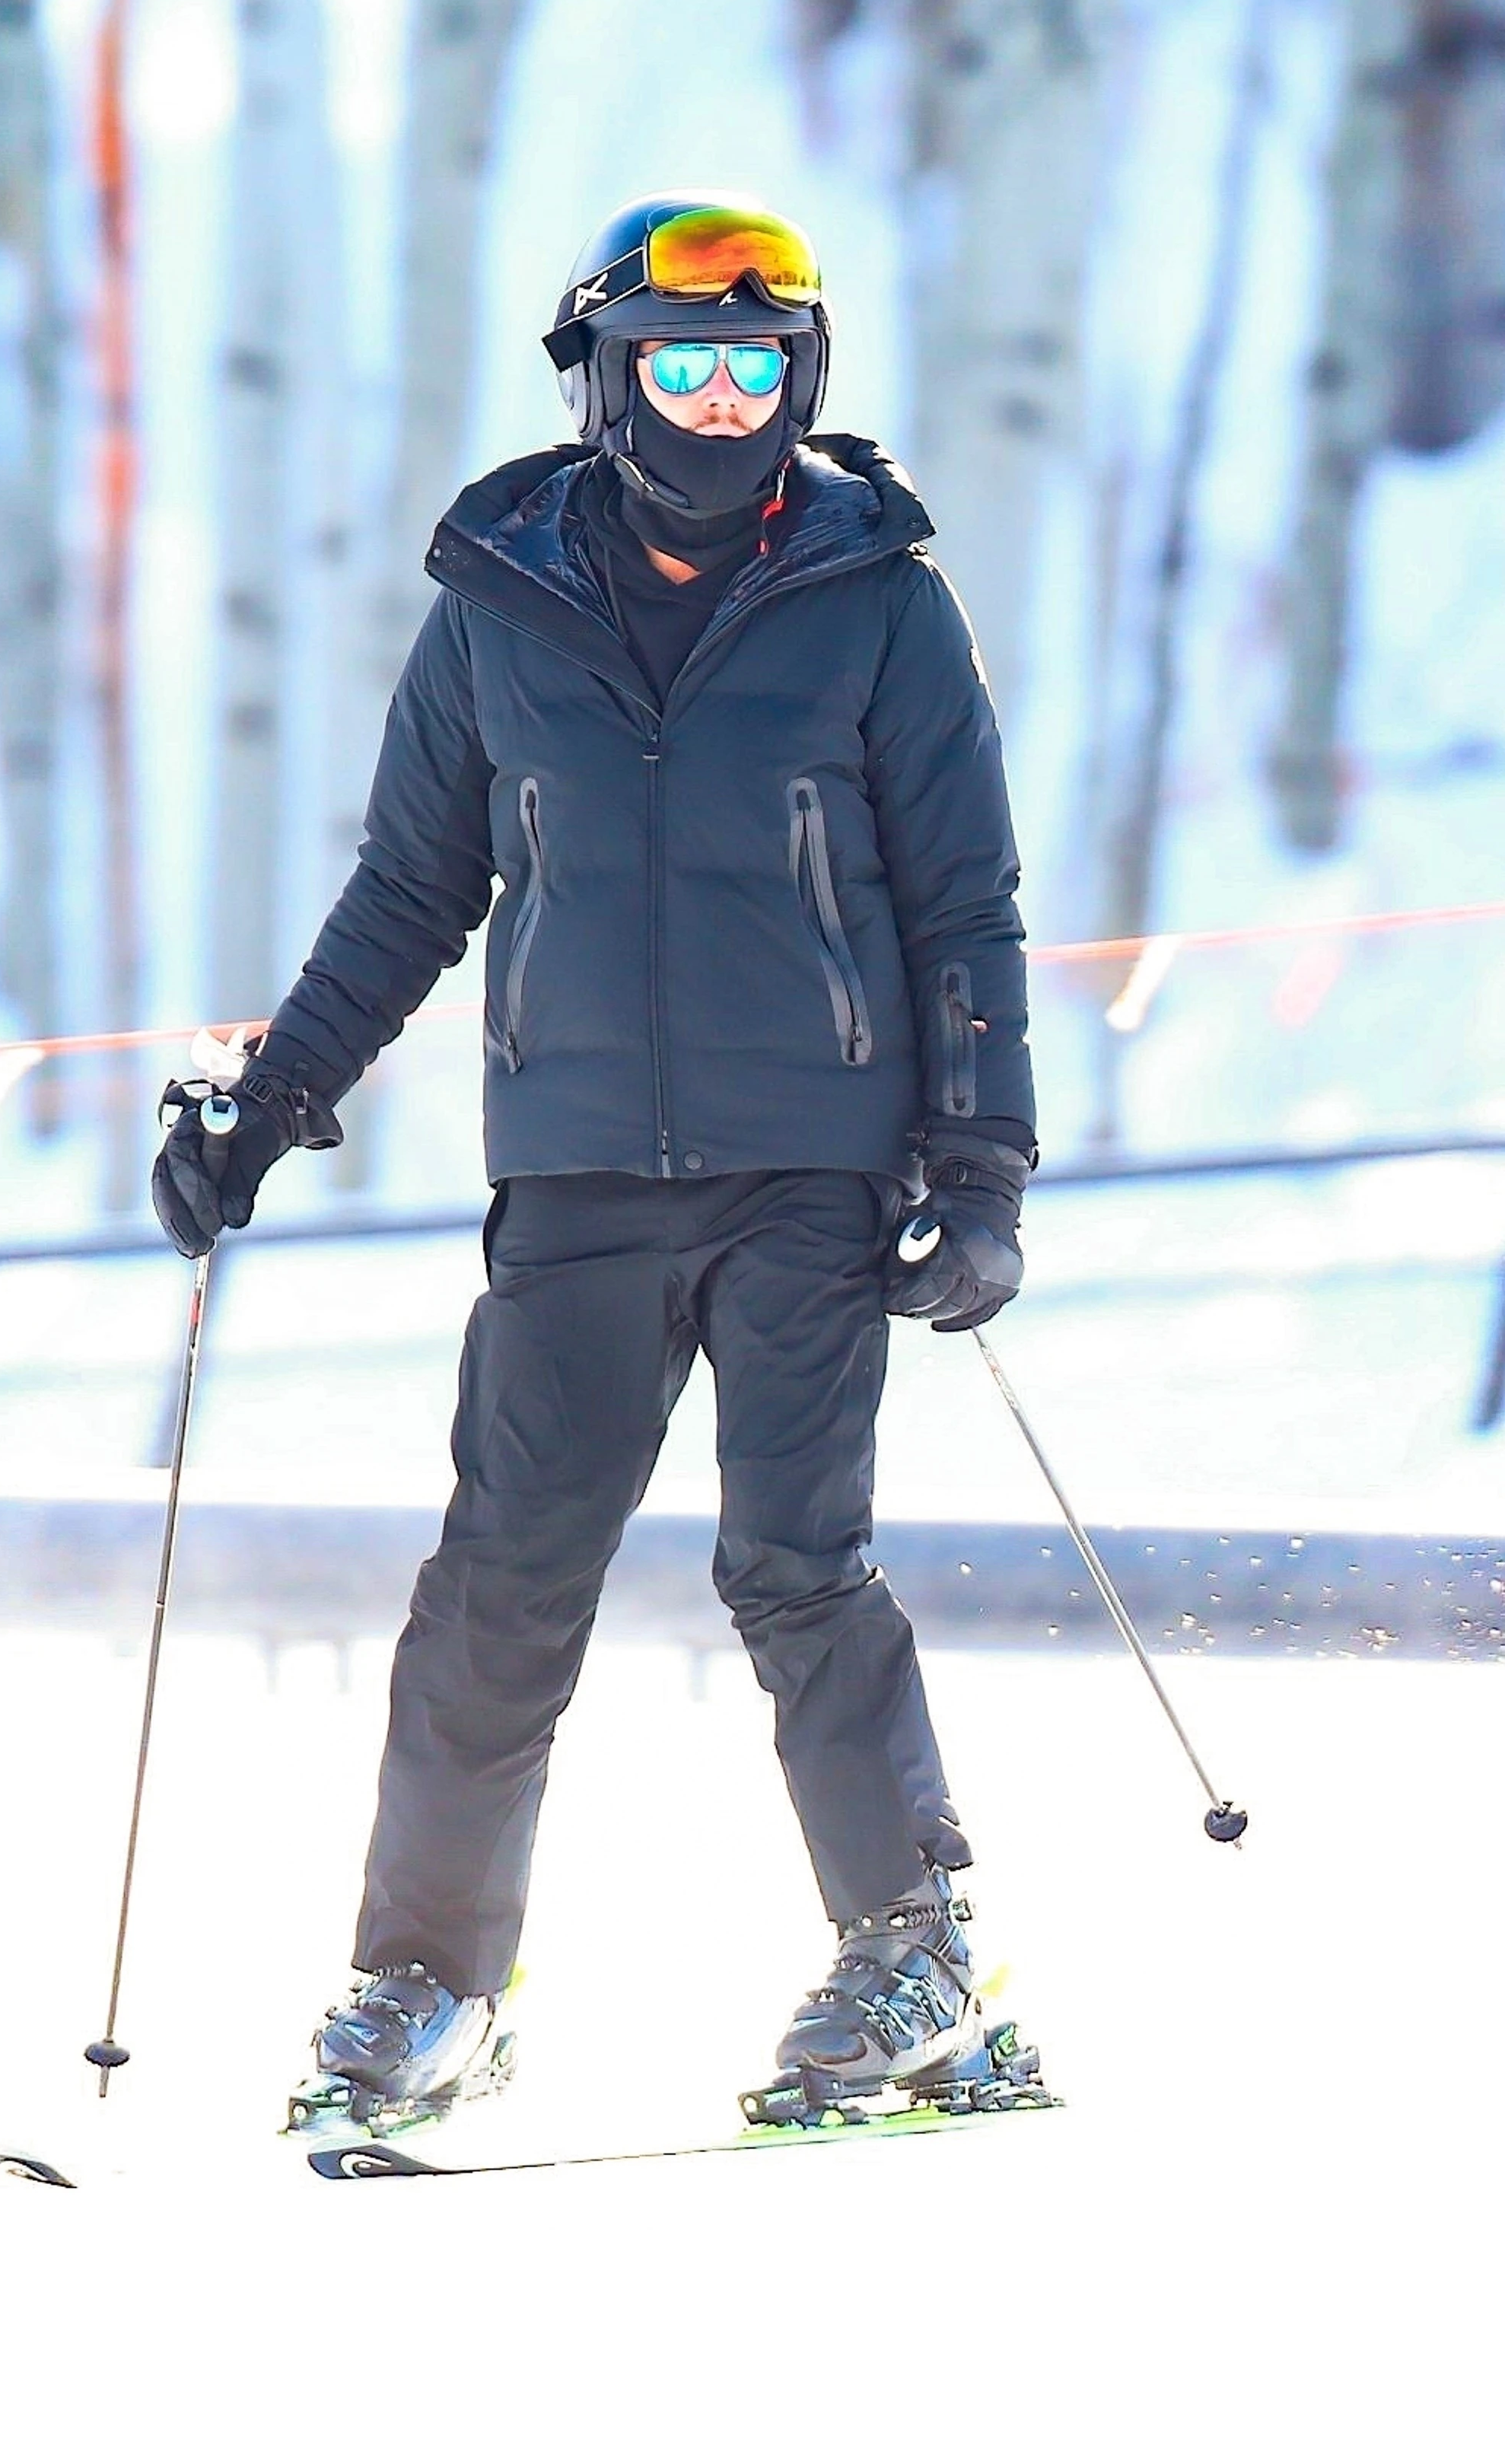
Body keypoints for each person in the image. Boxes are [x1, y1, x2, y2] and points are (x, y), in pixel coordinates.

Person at [153, 192, 1039, 2124]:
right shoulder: (501, 596)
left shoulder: (878, 595)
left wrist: (978, 1172)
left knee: (794, 1567)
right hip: (570, 1177)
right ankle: (427, 1988)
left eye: (758, 366)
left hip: (813, 1165)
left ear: (800, 380)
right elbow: (411, 888)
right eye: (680, 360)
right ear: (603, 377)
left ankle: (914, 1954)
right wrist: (268, 1106)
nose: (722, 398)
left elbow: (962, 902)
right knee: (500, 1582)